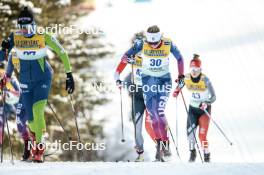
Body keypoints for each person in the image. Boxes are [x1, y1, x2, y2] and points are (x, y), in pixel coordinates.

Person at [0, 7, 74, 162]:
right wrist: (5, 47)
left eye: (27, 27)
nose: (24, 30)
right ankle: (35, 139)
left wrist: (69, 75)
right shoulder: (16, 36)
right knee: (31, 120)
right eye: (21, 27)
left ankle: (40, 147)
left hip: (43, 78)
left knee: (37, 109)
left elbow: (62, 52)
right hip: (25, 82)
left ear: (33, 24)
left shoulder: (43, 36)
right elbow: (4, 55)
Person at [115, 25, 184, 161]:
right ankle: (142, 153)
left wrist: (181, 76)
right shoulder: (138, 49)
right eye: (150, 43)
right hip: (141, 91)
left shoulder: (163, 45)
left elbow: (178, 58)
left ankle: (164, 147)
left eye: (155, 43)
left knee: (156, 115)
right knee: (141, 124)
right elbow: (123, 66)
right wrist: (119, 80)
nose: (152, 46)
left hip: (159, 83)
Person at [115, 32, 157, 162]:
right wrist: (118, 80)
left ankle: (161, 147)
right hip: (137, 95)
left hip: (150, 94)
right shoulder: (131, 54)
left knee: (150, 126)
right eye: (134, 45)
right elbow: (118, 69)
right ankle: (140, 154)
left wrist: (137, 61)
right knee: (137, 125)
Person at [173, 54, 216, 162]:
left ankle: (206, 154)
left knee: (202, 136)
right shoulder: (186, 78)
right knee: (190, 134)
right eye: (192, 69)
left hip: (204, 111)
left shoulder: (205, 79)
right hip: (192, 110)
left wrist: (206, 102)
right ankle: (192, 153)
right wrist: (176, 90)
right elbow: (180, 85)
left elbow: (214, 97)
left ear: (200, 69)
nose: (194, 71)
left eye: (196, 69)